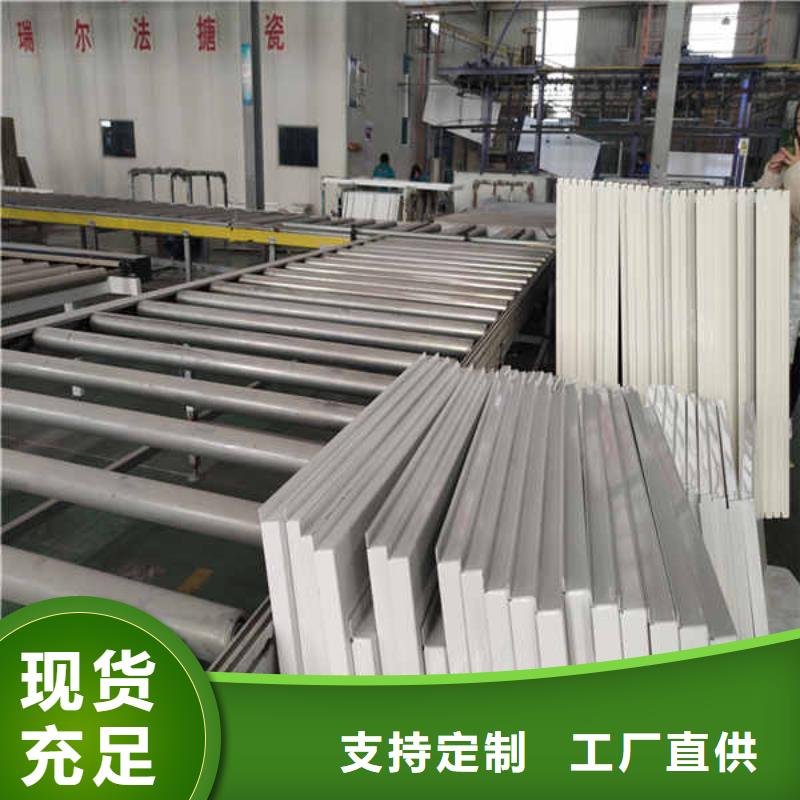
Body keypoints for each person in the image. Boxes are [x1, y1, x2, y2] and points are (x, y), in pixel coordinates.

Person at [757, 101, 800, 410]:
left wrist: (795, 173)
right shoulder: (790, 161)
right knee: (781, 342)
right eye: (799, 121)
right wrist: (772, 175)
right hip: (786, 263)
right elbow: (770, 210)